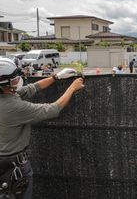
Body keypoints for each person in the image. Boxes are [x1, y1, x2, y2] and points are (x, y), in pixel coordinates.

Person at [0, 58, 84, 199]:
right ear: (4, 83)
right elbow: (52, 109)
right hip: (14, 167)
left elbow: (30, 89)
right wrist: (72, 88)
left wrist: (55, 77)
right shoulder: (14, 107)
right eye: (15, 77)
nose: (18, 79)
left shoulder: (6, 96)